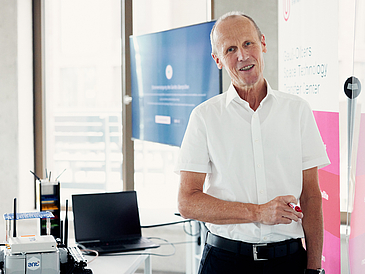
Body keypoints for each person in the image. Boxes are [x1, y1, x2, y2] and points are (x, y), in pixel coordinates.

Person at [175, 11, 329, 274]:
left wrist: (314, 268)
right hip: (224, 261)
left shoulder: (298, 110)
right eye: (230, 49)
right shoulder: (204, 117)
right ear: (218, 60)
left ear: (263, 44)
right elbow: (187, 202)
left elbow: (311, 195)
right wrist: (258, 212)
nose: (243, 56)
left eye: (248, 44)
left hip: (288, 262)